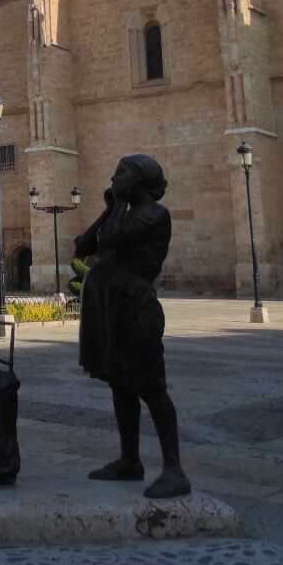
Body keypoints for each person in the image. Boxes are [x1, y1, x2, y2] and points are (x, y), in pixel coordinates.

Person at [74, 154, 190, 499]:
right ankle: (129, 460)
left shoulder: (155, 215)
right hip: (112, 309)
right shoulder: (124, 213)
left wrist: (117, 206)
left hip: (136, 309)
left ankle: (175, 470)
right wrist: (112, 207)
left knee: (151, 388)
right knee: (120, 385)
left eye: (121, 174)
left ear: (138, 180)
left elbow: (109, 239)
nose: (113, 178)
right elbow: (83, 247)